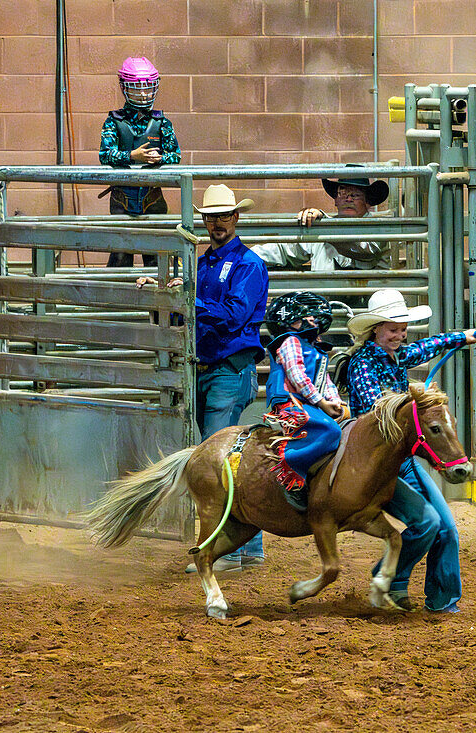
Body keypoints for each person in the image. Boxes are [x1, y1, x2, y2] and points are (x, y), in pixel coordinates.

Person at [139, 184, 267, 571]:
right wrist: (165, 295)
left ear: (236, 218)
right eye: (210, 217)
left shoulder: (248, 264)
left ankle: (232, 547)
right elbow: (198, 314)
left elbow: (234, 314)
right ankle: (247, 547)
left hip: (229, 369)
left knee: (220, 457)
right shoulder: (206, 262)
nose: (216, 223)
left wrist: (189, 297)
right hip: (206, 368)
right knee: (224, 458)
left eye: (223, 216)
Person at [343, 289, 476, 613]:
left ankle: (442, 599)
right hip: (378, 463)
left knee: (444, 526)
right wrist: (413, 404)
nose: (400, 335)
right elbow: (372, 412)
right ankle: (390, 581)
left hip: (404, 457)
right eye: (394, 329)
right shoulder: (362, 362)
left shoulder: (397, 355)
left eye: (403, 329)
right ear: (376, 329)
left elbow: (425, 347)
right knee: (428, 523)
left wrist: (461, 337)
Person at [262, 292, 347, 512]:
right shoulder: (290, 341)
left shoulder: (314, 349)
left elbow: (324, 380)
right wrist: (321, 403)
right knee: (330, 430)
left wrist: (335, 401)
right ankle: (291, 465)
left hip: (309, 402)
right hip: (293, 405)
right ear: (293, 319)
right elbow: (297, 375)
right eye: (310, 317)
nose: (315, 321)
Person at [99, 56, 181, 267]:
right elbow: (104, 154)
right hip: (122, 198)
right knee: (120, 256)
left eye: (147, 87)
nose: (143, 93)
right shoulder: (114, 121)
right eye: (137, 88)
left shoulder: (162, 122)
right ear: (125, 88)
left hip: (152, 197)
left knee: (156, 257)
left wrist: (162, 158)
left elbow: (176, 155)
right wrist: (131, 156)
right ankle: (117, 299)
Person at [252, 164, 392, 272]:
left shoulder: (377, 227)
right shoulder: (322, 228)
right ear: (335, 200)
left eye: (355, 194)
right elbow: (285, 250)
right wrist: (245, 257)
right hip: (325, 306)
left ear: (368, 201)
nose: (348, 199)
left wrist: (324, 225)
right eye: (342, 193)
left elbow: (363, 251)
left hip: (367, 307)